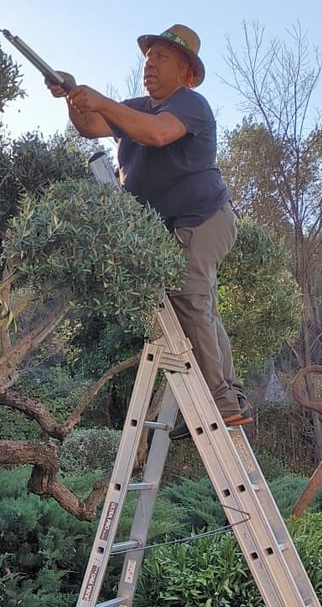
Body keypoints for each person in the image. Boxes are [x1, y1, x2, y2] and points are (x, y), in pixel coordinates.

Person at [47, 24, 251, 439]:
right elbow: (90, 125)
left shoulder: (191, 105)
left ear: (186, 71)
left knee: (191, 299)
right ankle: (230, 397)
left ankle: (219, 401)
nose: (150, 65)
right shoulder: (137, 107)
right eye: (148, 58)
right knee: (202, 306)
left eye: (161, 58)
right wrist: (71, 95)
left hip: (204, 218)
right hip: (179, 225)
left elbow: (156, 133)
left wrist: (101, 100)